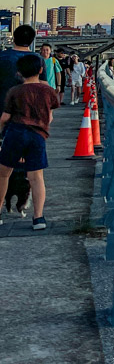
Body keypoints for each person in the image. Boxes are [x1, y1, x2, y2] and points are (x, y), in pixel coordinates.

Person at [0, 53, 60, 229]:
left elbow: (5, 117)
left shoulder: (15, 91)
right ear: (41, 70)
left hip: (15, 133)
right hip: (37, 136)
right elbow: (50, 117)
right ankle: (38, 218)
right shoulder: (48, 91)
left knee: (3, 174)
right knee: (36, 177)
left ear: (19, 72)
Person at [0, 25, 36, 109]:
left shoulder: (2, 56)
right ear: (31, 41)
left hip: (3, 103)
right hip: (28, 106)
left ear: (14, 39)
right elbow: (42, 83)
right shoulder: (37, 59)